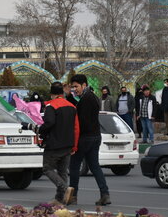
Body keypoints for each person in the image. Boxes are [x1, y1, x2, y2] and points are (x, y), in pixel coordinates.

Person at [32, 81, 79, 206]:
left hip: (54, 144)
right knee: (62, 171)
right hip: (68, 144)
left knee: (47, 168)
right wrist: (74, 145)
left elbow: (49, 123)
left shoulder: (51, 106)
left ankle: (65, 188)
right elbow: (76, 127)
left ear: (52, 94)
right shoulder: (72, 106)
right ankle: (60, 199)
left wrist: (40, 130)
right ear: (62, 93)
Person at [67, 74, 110, 206]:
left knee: (74, 166)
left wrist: (74, 140)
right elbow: (77, 104)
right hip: (95, 136)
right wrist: (69, 96)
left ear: (84, 85)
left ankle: (73, 196)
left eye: (76, 86)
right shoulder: (91, 96)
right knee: (94, 166)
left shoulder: (87, 99)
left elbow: (82, 121)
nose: (75, 89)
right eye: (73, 87)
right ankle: (105, 194)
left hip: (85, 138)